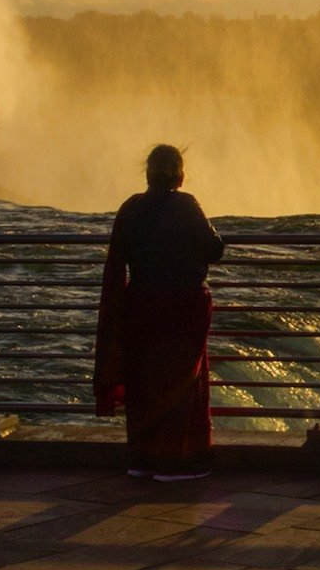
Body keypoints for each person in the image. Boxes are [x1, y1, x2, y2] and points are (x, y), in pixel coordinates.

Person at [93, 144, 225, 480]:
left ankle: (142, 459)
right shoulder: (186, 205)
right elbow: (214, 249)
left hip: (140, 305)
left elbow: (116, 261)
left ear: (148, 174)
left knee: (145, 381)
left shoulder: (130, 208)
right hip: (181, 307)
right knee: (182, 382)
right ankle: (177, 462)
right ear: (179, 175)